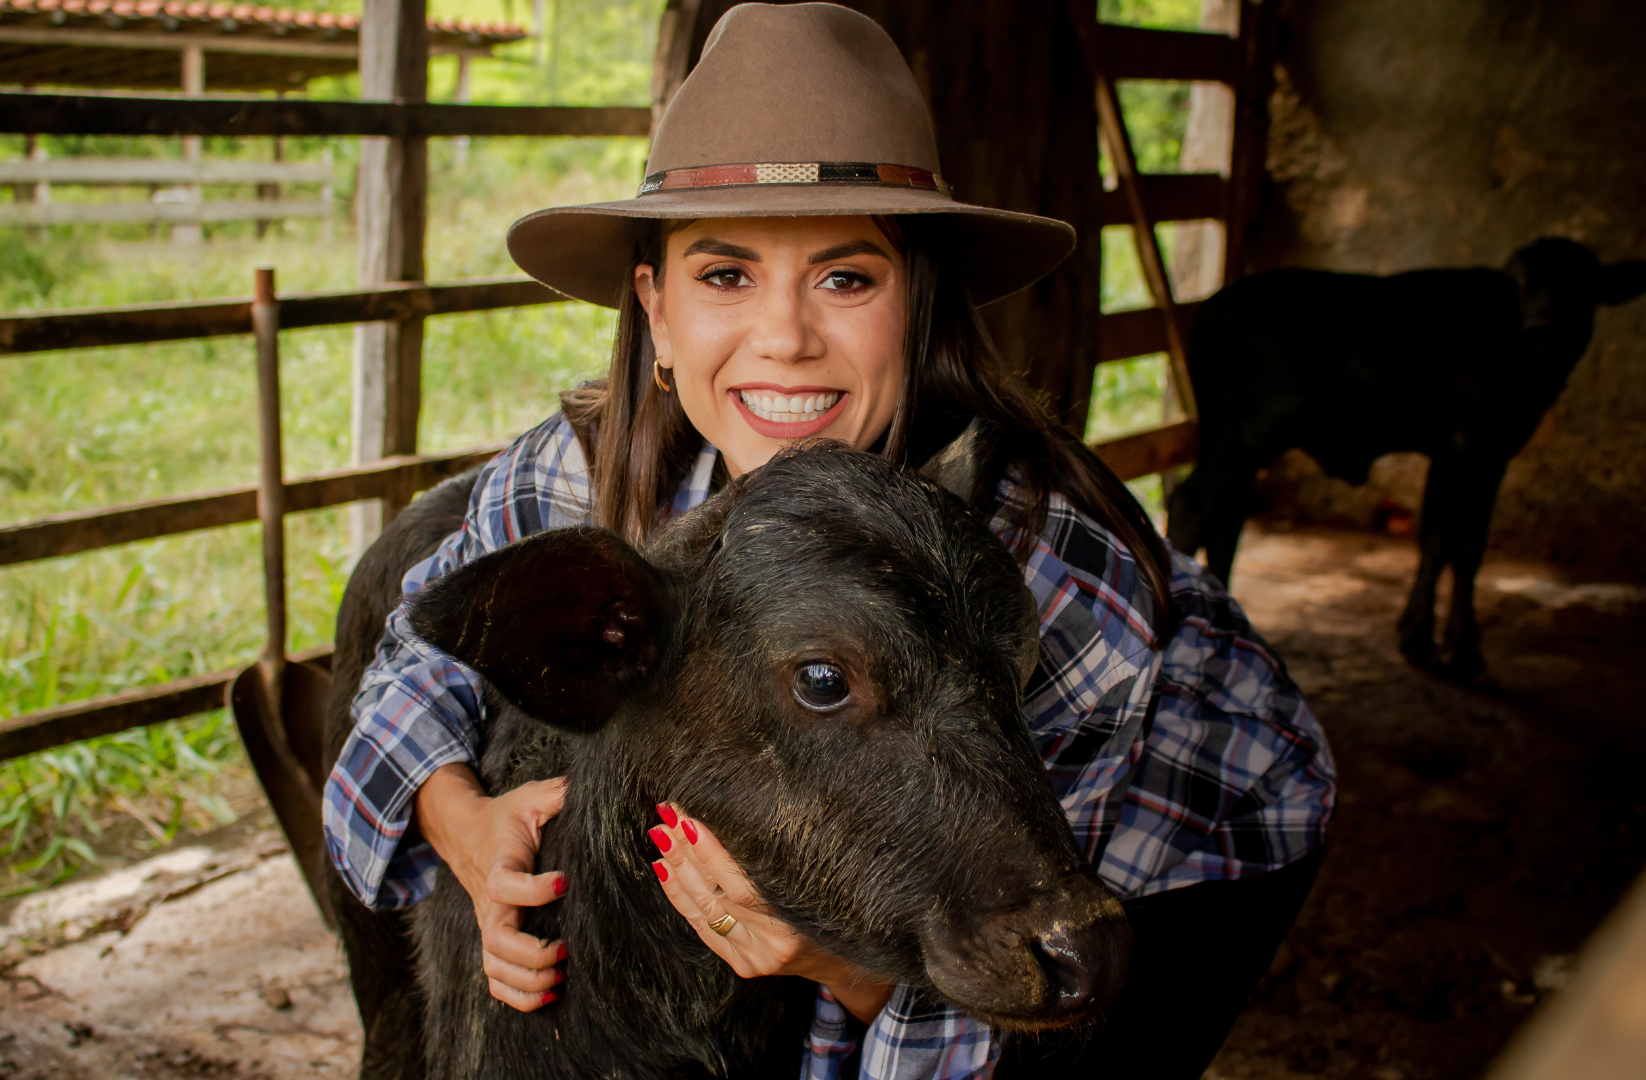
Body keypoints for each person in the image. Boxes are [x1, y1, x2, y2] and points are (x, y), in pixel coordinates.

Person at [322, 5, 1334, 1078]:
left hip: (1206, 832)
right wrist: (462, 825)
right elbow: (426, 643)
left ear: (922, 305)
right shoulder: (586, 467)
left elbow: (1023, 939)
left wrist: (842, 972)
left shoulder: (1044, 572)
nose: (787, 337)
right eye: (726, 277)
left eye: (848, 278)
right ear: (655, 312)